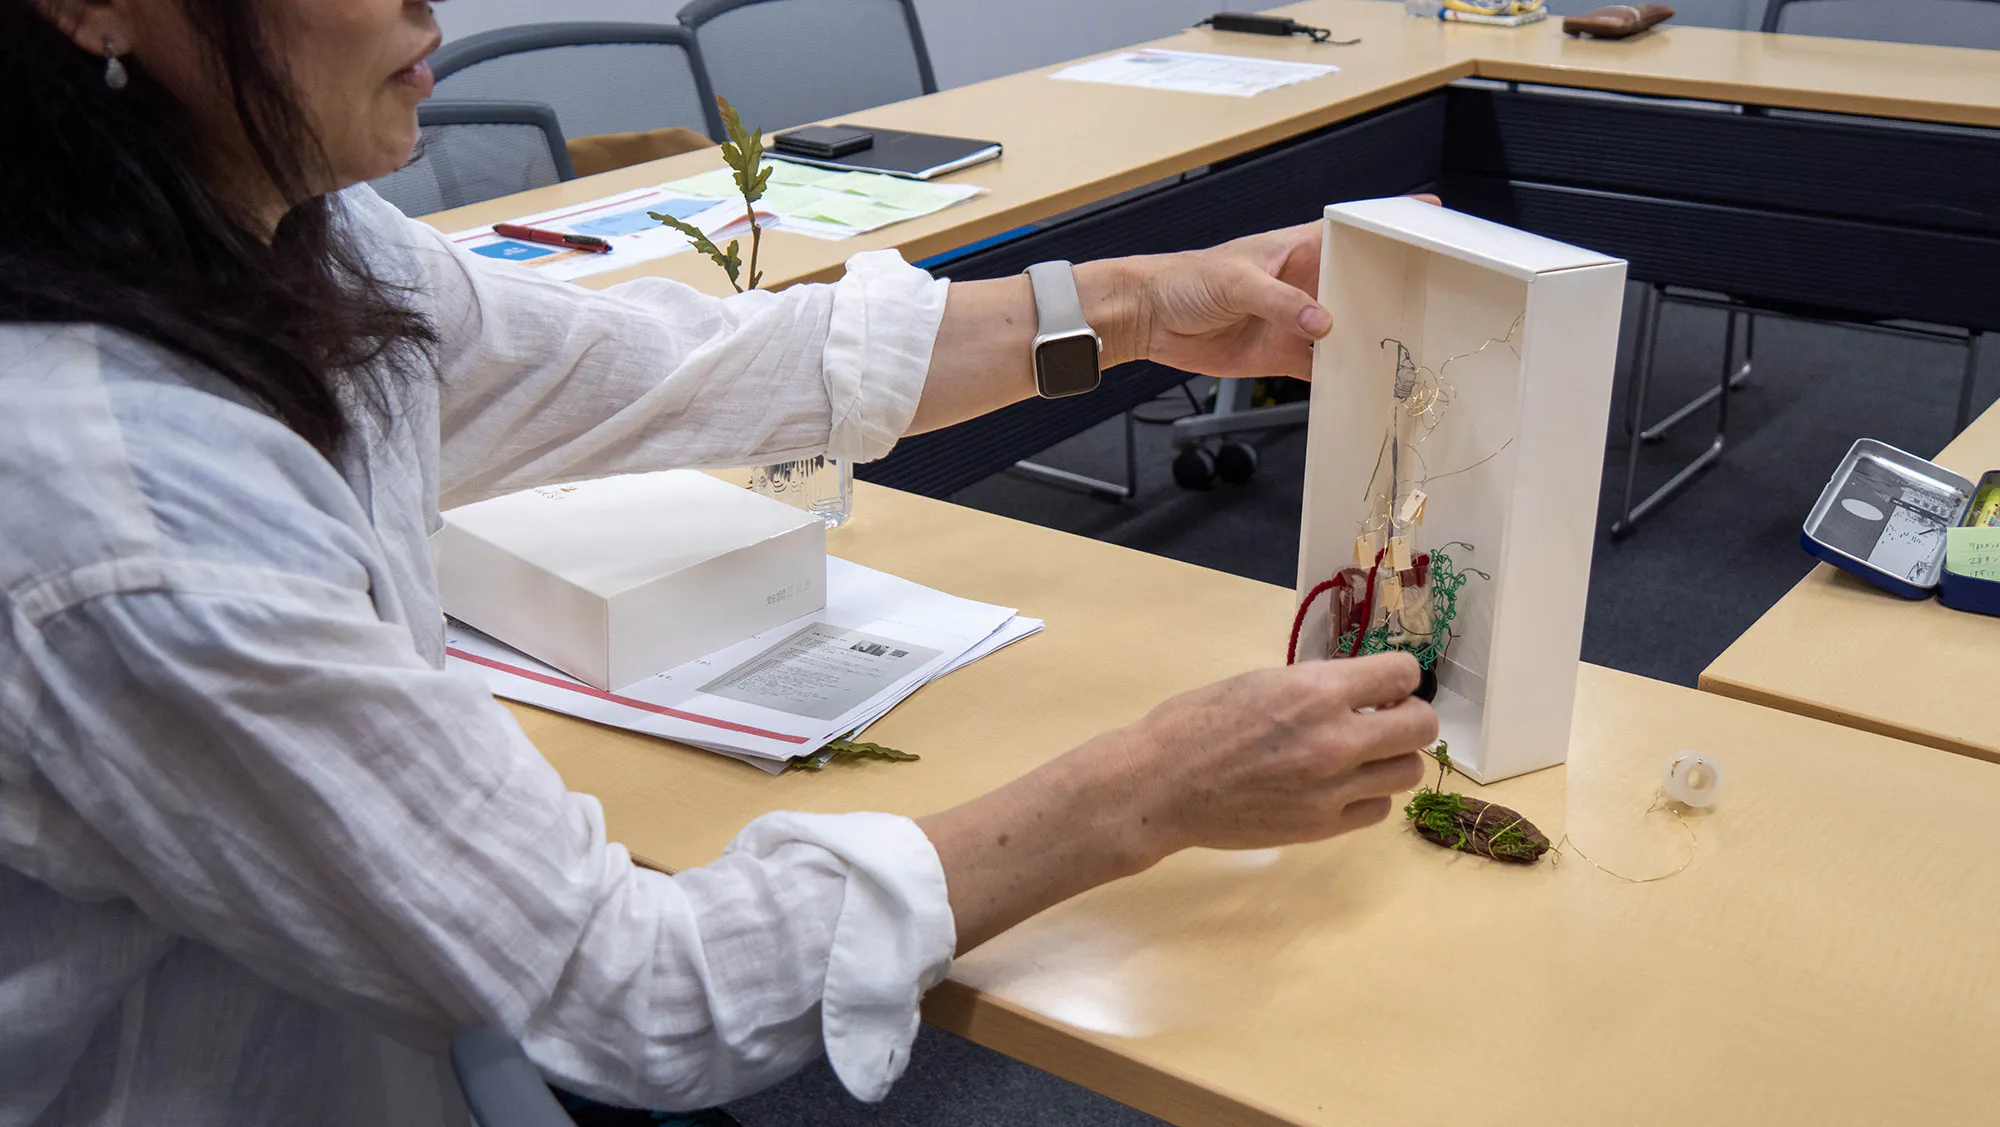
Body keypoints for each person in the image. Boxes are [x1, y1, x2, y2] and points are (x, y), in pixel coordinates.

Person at [0, 0, 1439, 1122]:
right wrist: (1152, 787)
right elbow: (634, 989)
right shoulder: (129, 513)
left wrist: (1127, 307)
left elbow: (663, 367)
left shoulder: (288, 235)